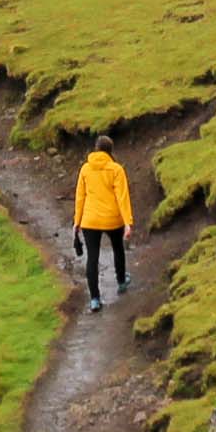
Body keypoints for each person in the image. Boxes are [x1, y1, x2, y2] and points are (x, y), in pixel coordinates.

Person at [72, 132, 134, 311]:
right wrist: (127, 222)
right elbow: (122, 197)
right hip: (112, 219)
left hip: (89, 220)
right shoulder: (116, 169)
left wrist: (77, 221)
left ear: (96, 149)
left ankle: (95, 299)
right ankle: (121, 281)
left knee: (92, 257)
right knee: (117, 248)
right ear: (110, 151)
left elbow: (80, 197)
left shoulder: (85, 169)